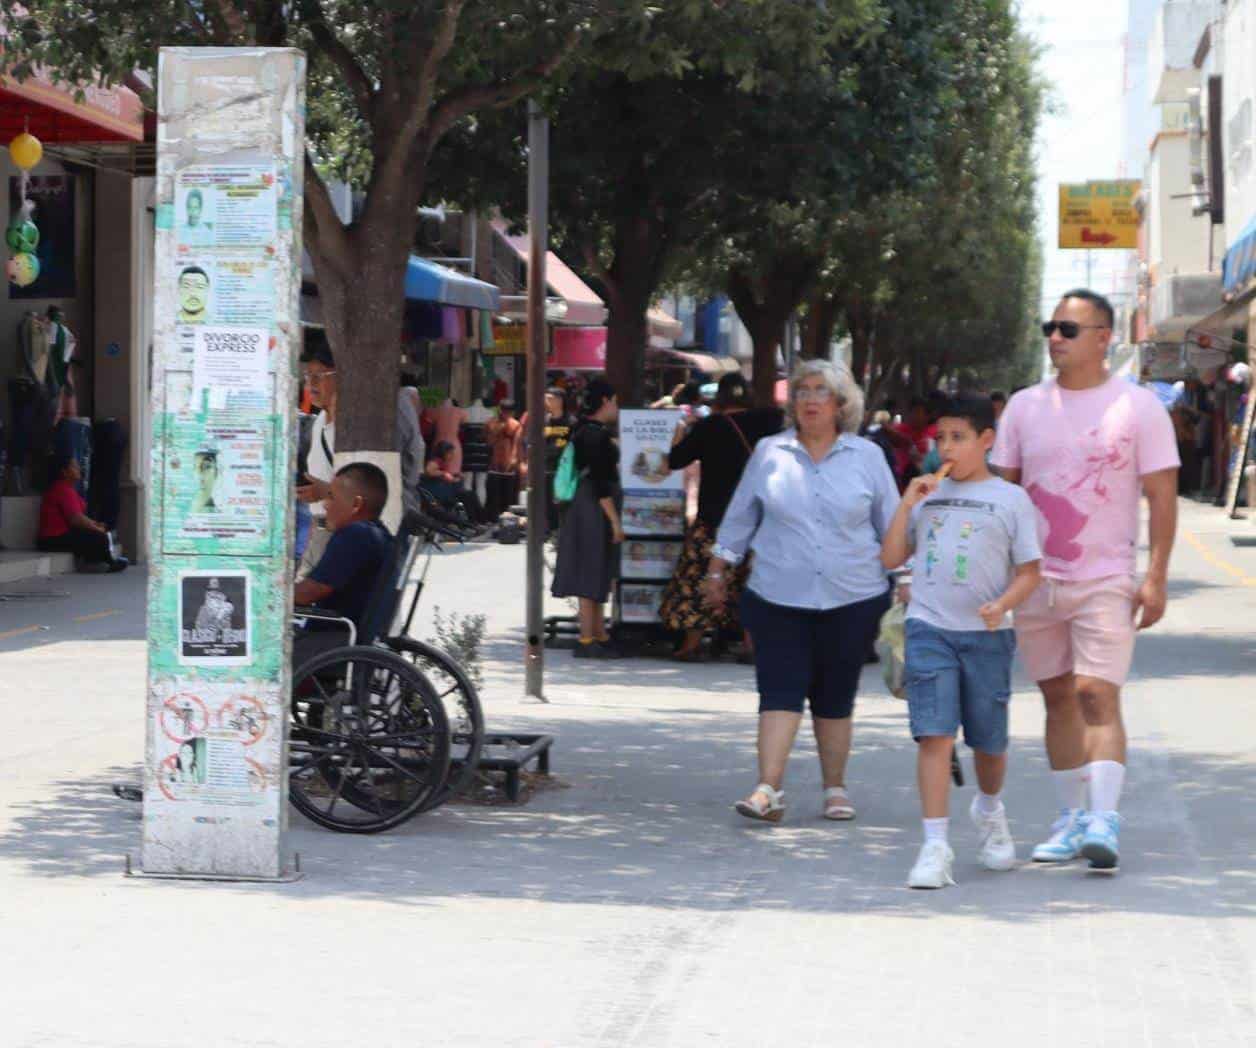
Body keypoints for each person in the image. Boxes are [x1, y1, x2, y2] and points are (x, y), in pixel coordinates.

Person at [992, 289, 1179, 872]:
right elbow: (1002, 493)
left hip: (1104, 576)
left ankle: (1104, 819)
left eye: (1068, 330)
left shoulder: (1139, 407)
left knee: (1095, 693)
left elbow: (1162, 495)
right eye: (1050, 327)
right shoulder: (1024, 407)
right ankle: (1073, 818)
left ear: (1104, 337)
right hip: (1037, 580)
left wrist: (1155, 577)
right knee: (1055, 696)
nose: (1055, 338)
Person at [706, 360, 898, 823]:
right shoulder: (770, 452)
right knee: (778, 691)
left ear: (841, 403)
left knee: (835, 696)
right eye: (802, 391)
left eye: (821, 391)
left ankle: (835, 788)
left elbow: (892, 524)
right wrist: (716, 572)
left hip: (851, 596)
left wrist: (907, 580)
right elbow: (740, 517)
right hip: (776, 594)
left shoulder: (866, 457)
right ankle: (767, 789)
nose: (810, 400)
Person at [881, 395, 1042, 889]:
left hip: (988, 638)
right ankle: (934, 845)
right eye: (940, 437)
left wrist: (1003, 604)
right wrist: (907, 502)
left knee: (988, 743)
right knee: (935, 734)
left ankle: (989, 810)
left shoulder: (1010, 499)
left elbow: (1030, 571)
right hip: (930, 628)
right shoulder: (926, 493)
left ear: (986, 441)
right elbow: (890, 557)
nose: (945, 447)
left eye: (958, 437)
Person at [658, 372, 782, 660]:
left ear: (720, 398)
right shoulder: (770, 421)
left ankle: (691, 644)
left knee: (699, 577)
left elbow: (673, 461)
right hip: (761, 517)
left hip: (715, 516)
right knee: (754, 581)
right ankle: (752, 645)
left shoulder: (709, 427)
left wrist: (679, 431)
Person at [551, 377, 624, 659]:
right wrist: (615, 521)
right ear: (605, 401)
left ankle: (597, 634)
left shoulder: (580, 429)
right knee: (592, 570)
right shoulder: (596, 435)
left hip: (584, 507)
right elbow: (600, 481)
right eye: (615, 401)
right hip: (594, 509)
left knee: (595, 569)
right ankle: (587, 638)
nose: (616, 407)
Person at [293, 462, 393, 667]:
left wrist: (269, 593)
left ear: (356, 504)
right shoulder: (380, 534)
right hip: (347, 640)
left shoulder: (355, 535)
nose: (325, 505)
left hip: (330, 645)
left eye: (331, 497)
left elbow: (308, 593)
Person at [36, 455, 127, 572]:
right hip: (51, 539)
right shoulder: (61, 488)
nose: (78, 468)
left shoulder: (68, 489)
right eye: (74, 466)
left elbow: (80, 515)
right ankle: (105, 563)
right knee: (98, 537)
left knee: (98, 532)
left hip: (61, 535)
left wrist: (95, 524)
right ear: (64, 472)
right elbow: (76, 518)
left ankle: (101, 560)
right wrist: (96, 528)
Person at [421, 440, 485, 523]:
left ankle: (479, 520)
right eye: (450, 453)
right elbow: (429, 471)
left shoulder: (442, 462)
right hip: (440, 492)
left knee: (471, 495)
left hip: (446, 490)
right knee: (468, 496)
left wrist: (455, 475)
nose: (452, 455)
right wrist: (443, 474)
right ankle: (474, 521)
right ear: (443, 452)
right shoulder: (436, 461)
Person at [484, 400, 523, 523]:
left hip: (502, 461)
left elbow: (516, 443)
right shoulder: (493, 423)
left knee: (502, 494)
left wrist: (514, 458)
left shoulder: (513, 424)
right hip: (499, 462)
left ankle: (503, 520)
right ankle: (497, 519)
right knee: (500, 494)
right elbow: (489, 441)